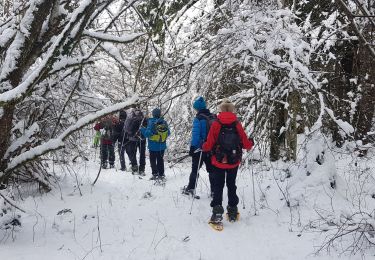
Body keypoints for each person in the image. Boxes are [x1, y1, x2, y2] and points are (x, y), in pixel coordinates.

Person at [202, 99, 253, 222]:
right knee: (231, 185)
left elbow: (209, 144)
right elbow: (246, 144)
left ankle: (217, 213)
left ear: (221, 109)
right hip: (233, 161)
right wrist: (250, 143)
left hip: (218, 161)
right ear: (232, 110)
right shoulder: (237, 124)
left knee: (218, 185)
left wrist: (204, 146)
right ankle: (232, 210)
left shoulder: (216, 124)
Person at [182, 96, 215, 197]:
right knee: (212, 171)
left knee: (195, 170)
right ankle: (214, 191)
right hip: (211, 149)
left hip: (199, 149)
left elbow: (196, 135)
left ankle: (191, 189)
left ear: (197, 108)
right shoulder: (213, 117)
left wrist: (192, 148)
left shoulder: (198, 119)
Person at [141, 108, 170, 180]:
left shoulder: (151, 122)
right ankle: (161, 174)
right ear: (160, 114)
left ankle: (155, 174)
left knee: (153, 160)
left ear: (153, 114)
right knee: (160, 160)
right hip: (161, 146)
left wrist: (142, 129)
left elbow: (147, 134)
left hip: (152, 147)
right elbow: (168, 133)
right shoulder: (164, 122)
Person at [124, 105, 147, 175]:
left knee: (133, 154)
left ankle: (134, 167)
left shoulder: (130, 117)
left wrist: (129, 134)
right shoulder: (143, 117)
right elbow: (147, 127)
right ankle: (142, 169)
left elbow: (126, 128)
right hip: (142, 139)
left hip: (132, 139)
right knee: (142, 154)